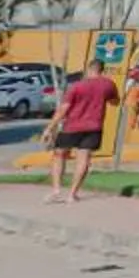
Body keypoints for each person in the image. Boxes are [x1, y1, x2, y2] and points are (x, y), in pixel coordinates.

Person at [46, 63, 118, 203]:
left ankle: (56, 190)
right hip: (94, 127)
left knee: (59, 154)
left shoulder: (77, 86)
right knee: (84, 158)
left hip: (72, 126)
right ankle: (72, 194)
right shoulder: (108, 84)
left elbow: (63, 109)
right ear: (101, 70)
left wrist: (50, 128)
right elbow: (114, 102)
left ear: (88, 70)